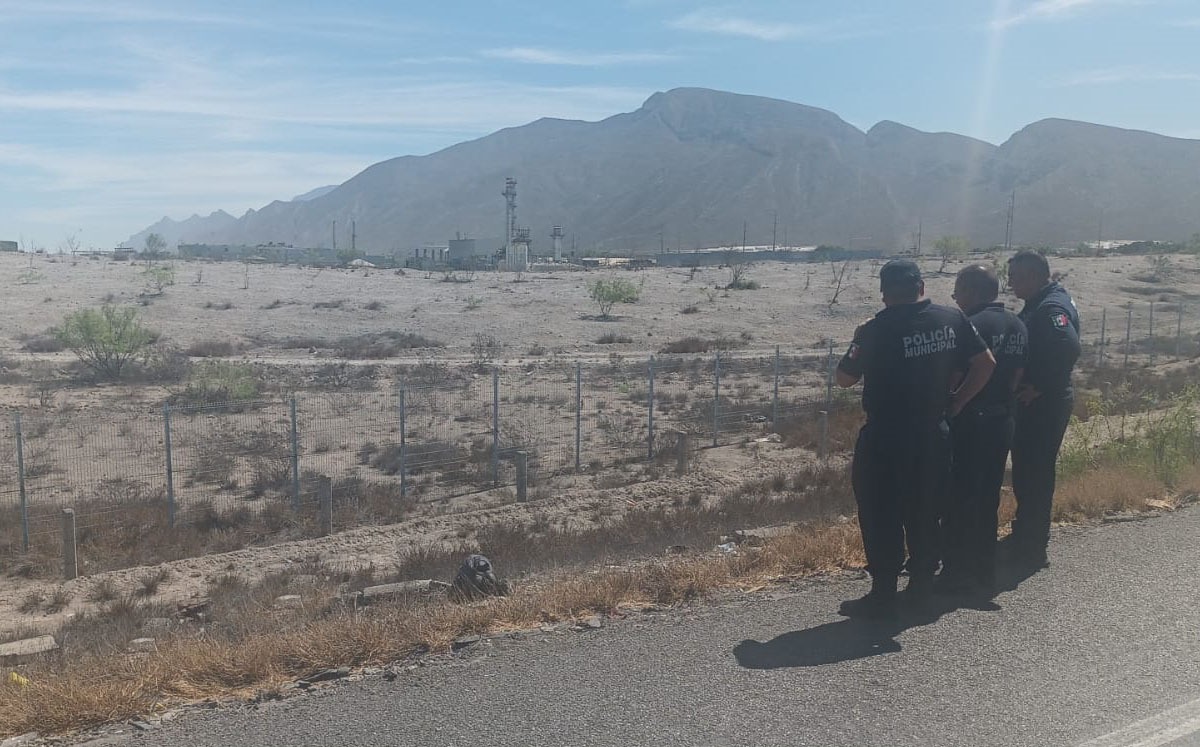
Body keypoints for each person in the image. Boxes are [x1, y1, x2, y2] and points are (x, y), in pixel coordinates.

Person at [835, 259, 996, 619]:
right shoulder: (951, 319)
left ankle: (883, 592)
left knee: (880, 512)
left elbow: (844, 378)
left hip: (885, 435)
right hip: (931, 432)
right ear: (921, 287)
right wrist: (957, 402)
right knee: (926, 510)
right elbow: (986, 362)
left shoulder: (876, 329)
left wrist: (858, 339)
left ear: (884, 293)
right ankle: (921, 587)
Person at [939, 265, 1028, 598]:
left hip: (970, 420)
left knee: (959, 497)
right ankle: (984, 571)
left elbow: (958, 371)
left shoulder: (970, 325)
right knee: (988, 498)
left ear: (972, 291)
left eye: (957, 291)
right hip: (1002, 419)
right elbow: (1018, 372)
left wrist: (955, 403)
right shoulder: (1018, 323)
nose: (956, 298)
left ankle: (955, 573)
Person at [1004, 250, 1080, 569]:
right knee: (1027, 471)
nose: (1011, 283)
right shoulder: (1043, 301)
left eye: (1016, 277)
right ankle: (1025, 534)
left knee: (1034, 473)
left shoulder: (1050, 306)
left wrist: (1041, 386)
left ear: (1035, 276)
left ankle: (1032, 548)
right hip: (1040, 402)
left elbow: (1068, 346)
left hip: (1044, 405)